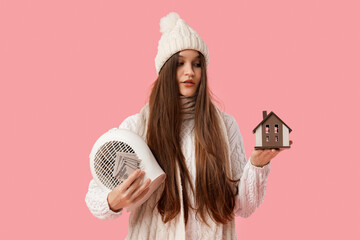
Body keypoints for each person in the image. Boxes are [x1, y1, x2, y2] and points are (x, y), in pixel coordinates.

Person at [85, 12, 291, 240]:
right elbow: (95, 197)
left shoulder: (224, 126)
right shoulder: (136, 127)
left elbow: (243, 206)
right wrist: (113, 202)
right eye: (180, 63)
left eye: (197, 64)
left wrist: (257, 166)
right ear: (165, 70)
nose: (189, 72)